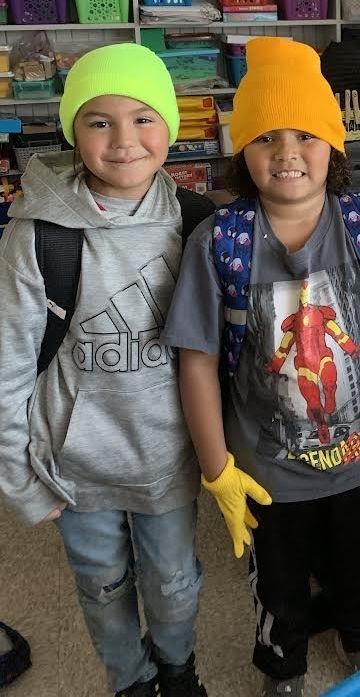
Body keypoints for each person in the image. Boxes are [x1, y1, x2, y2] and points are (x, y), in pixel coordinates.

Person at [163, 38, 360, 697]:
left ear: (334, 146)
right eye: (265, 137)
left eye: (305, 135)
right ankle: (284, 665)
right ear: (243, 153)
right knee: (280, 586)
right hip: (267, 477)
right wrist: (215, 468)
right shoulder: (221, 243)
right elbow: (198, 361)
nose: (287, 152)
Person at [0, 44, 210, 697]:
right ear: (73, 130)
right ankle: (132, 681)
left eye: (144, 118)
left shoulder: (197, 224)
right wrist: (24, 482)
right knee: (102, 588)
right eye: (100, 121)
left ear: (171, 129)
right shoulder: (37, 235)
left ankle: (177, 670)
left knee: (174, 585)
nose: (124, 140)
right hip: (74, 467)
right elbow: (6, 368)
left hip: (168, 462)